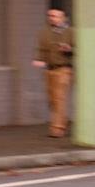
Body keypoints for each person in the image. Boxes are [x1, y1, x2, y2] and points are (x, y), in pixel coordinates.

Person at [32, 7, 73, 138]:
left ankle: (57, 128)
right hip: (49, 69)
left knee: (60, 98)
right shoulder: (45, 32)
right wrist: (38, 59)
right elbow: (41, 50)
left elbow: (80, 48)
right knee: (52, 100)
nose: (51, 18)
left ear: (63, 18)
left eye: (55, 16)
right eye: (50, 15)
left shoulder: (71, 32)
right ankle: (63, 120)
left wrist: (69, 49)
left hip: (64, 69)